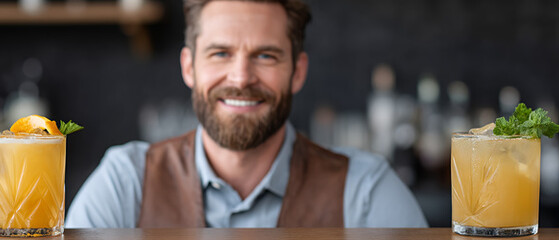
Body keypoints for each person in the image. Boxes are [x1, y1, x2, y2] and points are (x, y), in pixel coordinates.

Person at [66, 0, 427, 228]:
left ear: (297, 72)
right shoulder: (125, 182)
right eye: (220, 53)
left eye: (266, 55)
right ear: (189, 67)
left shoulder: (366, 193)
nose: (241, 78)